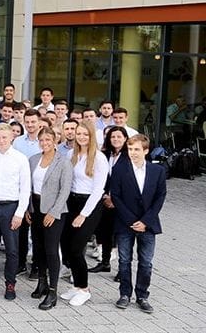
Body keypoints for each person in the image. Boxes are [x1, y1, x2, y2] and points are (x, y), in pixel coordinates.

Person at [109, 134, 167, 314]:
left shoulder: (157, 171)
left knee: (146, 262)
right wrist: (131, 220)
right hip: (125, 223)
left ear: (146, 150)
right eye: (130, 149)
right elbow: (116, 196)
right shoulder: (120, 170)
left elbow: (160, 197)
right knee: (124, 260)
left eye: (136, 149)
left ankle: (142, 295)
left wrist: (145, 221)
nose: (132, 153)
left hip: (148, 224)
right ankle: (125, 294)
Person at [60, 120, 109, 307]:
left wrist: (83, 214)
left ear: (91, 136)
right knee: (65, 245)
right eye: (78, 133)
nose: (81, 137)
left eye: (85, 134)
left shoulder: (98, 158)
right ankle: (75, 285)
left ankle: (83, 288)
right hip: (71, 202)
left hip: (89, 205)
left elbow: (98, 190)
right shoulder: (73, 154)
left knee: (76, 247)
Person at [0, 123, 31, 300]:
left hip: (11, 207)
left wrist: (19, 213)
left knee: (11, 249)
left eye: (5, 137)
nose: (1, 140)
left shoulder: (20, 159)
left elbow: (25, 188)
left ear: (12, 138)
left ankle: (10, 283)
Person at [26, 126, 73, 310]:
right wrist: (29, 208)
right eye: (42, 140)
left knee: (51, 250)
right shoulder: (33, 159)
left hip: (55, 210)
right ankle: (42, 282)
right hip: (36, 208)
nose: (44, 143)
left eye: (48, 140)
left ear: (55, 141)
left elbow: (65, 190)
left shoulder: (63, 162)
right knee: (38, 249)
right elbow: (28, 186)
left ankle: (53, 291)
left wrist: (53, 212)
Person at [92, 126, 128, 274]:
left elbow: (128, 181)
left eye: (119, 137)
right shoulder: (104, 154)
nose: (116, 139)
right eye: (113, 137)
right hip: (104, 198)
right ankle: (105, 262)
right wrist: (105, 195)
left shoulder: (129, 156)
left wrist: (115, 198)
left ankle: (122, 269)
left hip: (122, 202)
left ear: (125, 138)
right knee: (104, 233)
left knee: (121, 235)